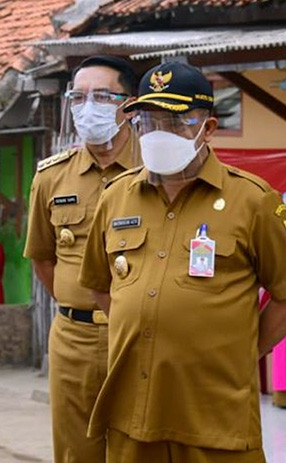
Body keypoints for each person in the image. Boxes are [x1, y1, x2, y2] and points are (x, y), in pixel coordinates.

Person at [79, 61, 286, 463]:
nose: (159, 134)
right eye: (149, 121)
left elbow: (285, 293)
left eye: (175, 121)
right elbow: (101, 286)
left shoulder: (253, 200)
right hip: (134, 415)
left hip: (216, 415)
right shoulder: (115, 197)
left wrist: (244, 350)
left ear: (207, 129)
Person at [23, 55, 138, 463]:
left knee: (139, 448)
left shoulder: (155, 169)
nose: (88, 107)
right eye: (79, 96)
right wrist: (80, 302)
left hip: (141, 339)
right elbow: (42, 258)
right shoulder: (52, 176)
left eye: (103, 96)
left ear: (130, 103)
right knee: (76, 450)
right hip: (75, 338)